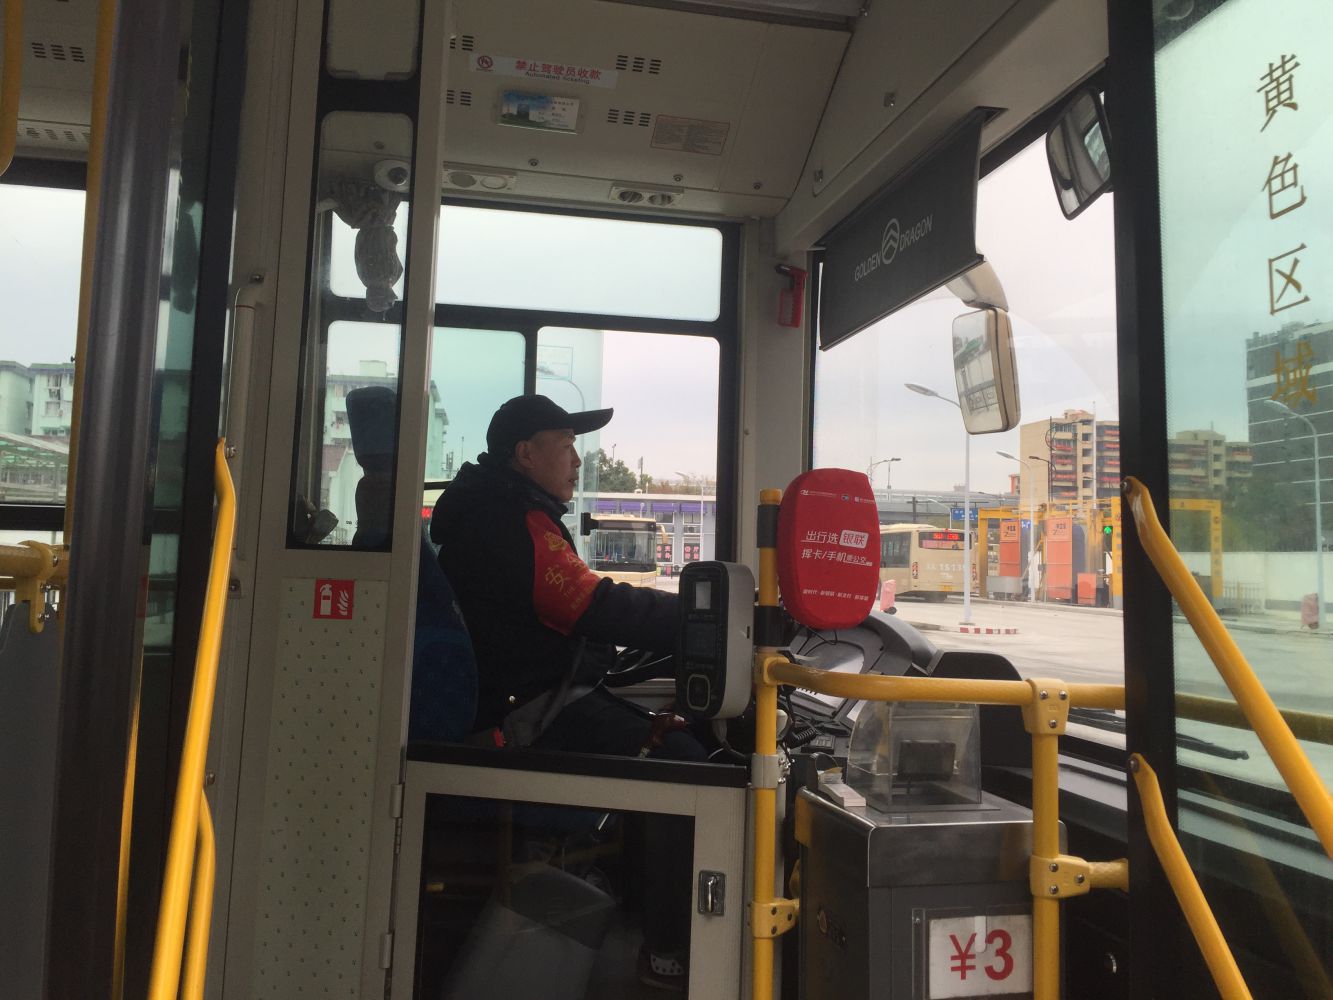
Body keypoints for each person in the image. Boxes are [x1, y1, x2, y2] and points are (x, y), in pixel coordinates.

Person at [430, 393, 705, 992]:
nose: (577, 461)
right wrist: (702, 617)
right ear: (526, 454)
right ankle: (666, 954)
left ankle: (642, 920)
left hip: (530, 695)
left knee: (666, 736)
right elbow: (591, 604)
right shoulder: (512, 519)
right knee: (685, 764)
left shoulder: (494, 507)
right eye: (566, 446)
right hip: (524, 715)